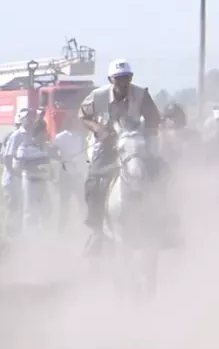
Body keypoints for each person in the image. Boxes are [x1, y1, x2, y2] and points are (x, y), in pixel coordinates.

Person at [78, 60, 164, 254]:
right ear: (110, 79)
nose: (123, 82)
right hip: (106, 144)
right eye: (119, 79)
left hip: (134, 141)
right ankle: (97, 228)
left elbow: (154, 117)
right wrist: (99, 129)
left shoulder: (141, 94)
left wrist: (146, 131)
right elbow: (82, 115)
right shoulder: (97, 96)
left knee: (162, 170)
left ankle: (166, 223)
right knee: (93, 180)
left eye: (127, 78)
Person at [52, 108, 89, 228]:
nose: (75, 123)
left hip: (77, 174)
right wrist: (63, 158)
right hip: (66, 174)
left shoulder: (80, 136)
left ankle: (84, 224)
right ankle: (61, 227)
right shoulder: (59, 137)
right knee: (64, 203)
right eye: (72, 120)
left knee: (82, 201)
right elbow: (54, 153)